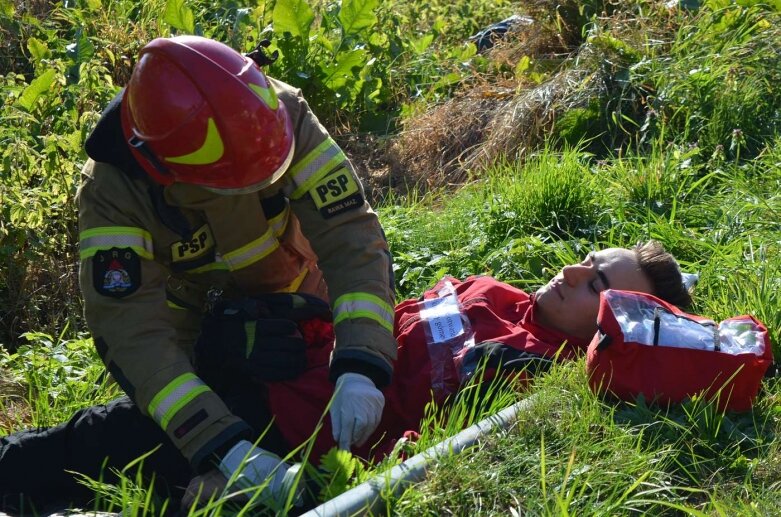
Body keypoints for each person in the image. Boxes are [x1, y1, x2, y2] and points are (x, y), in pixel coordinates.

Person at [0, 240, 692, 514]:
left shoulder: (538, 370)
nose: (571, 271)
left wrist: (289, 483)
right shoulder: (498, 292)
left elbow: (424, 453)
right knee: (87, 451)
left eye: (595, 281)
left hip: (280, 430)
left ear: (616, 322)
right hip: (275, 366)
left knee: (93, 447)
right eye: (584, 258)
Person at [1, 34, 396, 513]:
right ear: (159, 164)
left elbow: (349, 233)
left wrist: (360, 363)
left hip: (303, 320)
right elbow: (132, 333)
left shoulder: (278, 113)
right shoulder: (115, 191)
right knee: (141, 444)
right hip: (198, 344)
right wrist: (220, 444)